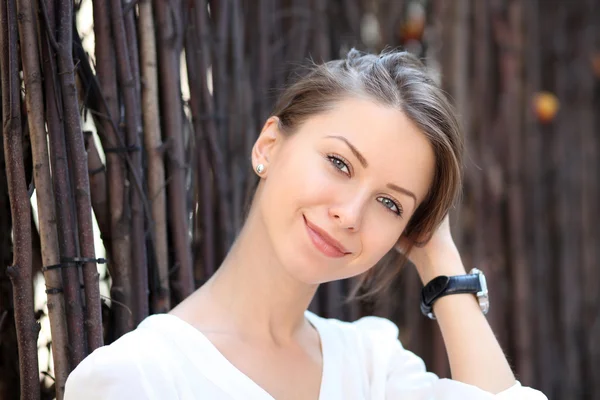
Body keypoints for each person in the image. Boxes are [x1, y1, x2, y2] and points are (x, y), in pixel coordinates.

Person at [64, 49, 547, 399]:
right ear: (268, 146)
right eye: (339, 163)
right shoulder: (138, 378)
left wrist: (441, 260)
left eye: (390, 203)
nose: (351, 214)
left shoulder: (373, 367)